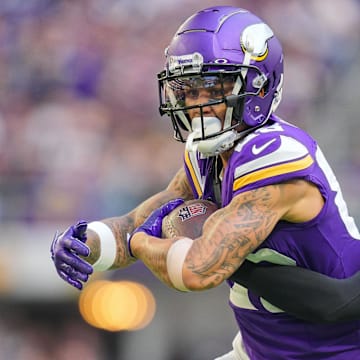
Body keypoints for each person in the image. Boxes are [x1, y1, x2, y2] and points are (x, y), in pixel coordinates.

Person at [51, 6, 360, 360]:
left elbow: (196, 270)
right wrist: (83, 243)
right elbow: (138, 221)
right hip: (261, 348)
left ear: (258, 85)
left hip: (334, 352)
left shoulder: (273, 157)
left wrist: (141, 242)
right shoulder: (207, 154)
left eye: (213, 88)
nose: (198, 104)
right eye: (188, 90)